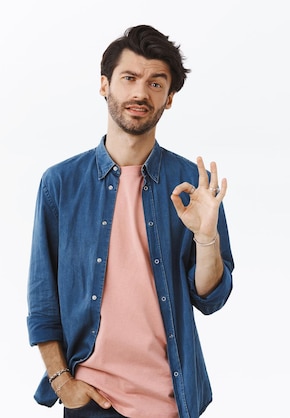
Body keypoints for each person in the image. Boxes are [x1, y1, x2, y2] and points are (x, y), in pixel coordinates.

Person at [26, 25, 234, 418]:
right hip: (92, 399)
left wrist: (207, 239)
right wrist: (61, 382)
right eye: (129, 78)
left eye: (156, 83)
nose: (141, 92)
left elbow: (211, 298)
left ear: (169, 99)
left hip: (173, 401)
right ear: (104, 85)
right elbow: (43, 300)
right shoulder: (60, 184)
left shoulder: (193, 187)